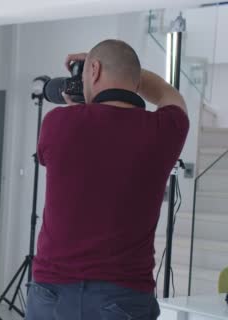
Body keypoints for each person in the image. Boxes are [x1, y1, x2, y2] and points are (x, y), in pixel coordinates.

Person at [26, 39, 189, 320]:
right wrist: (128, 72)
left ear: (94, 70)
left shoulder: (57, 124)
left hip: (52, 291)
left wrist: (83, 101)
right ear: (135, 82)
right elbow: (165, 92)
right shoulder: (165, 129)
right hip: (122, 297)